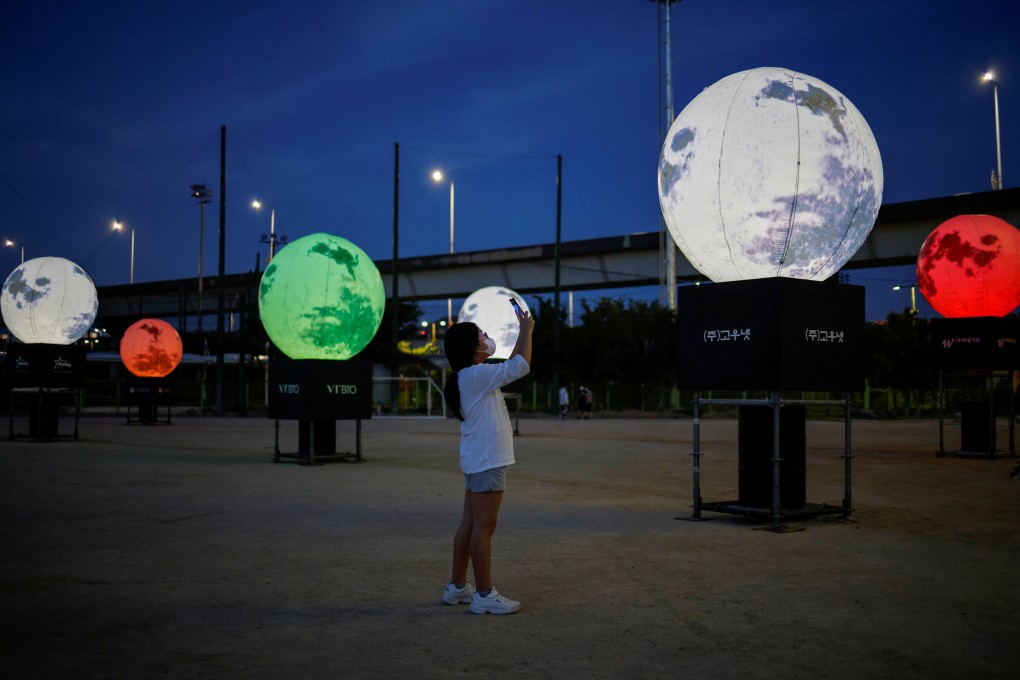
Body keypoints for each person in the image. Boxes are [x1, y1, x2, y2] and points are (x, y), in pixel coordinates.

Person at [440, 304, 534, 615]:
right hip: (487, 461)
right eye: (481, 334)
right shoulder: (477, 376)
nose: (486, 337)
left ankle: (457, 587)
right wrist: (527, 331)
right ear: (473, 347)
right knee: (484, 527)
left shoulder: (470, 376)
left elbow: (512, 364)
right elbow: (521, 366)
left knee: (470, 524)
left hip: (478, 460)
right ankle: (483, 595)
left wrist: (523, 333)